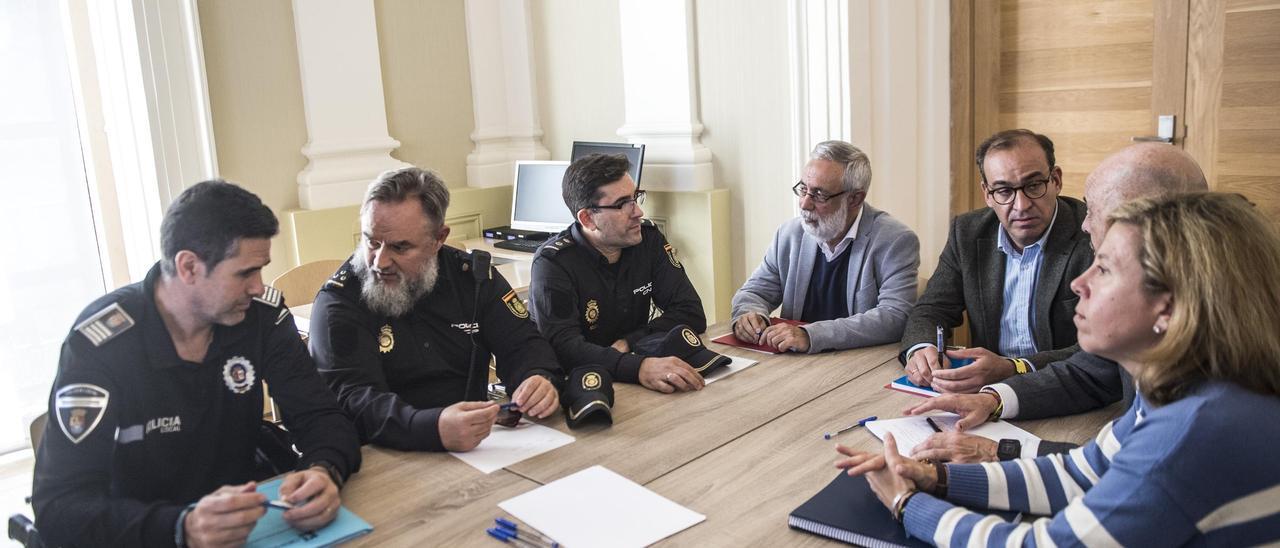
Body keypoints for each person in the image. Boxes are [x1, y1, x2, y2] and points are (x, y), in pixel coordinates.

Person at [837, 192, 1280, 545]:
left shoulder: (1189, 432)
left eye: (1103, 269)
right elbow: (1079, 473)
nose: (1079, 284)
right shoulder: (1191, 388)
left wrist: (906, 503)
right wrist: (939, 478)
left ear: (1167, 307)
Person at [33, 180, 361, 547]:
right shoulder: (102, 344)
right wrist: (181, 527)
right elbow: (59, 510)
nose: (258, 286)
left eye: (261, 269)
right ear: (188, 267)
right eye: (244, 273)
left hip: (248, 525)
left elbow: (321, 416)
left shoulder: (260, 316)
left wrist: (324, 470)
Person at [907, 143, 1208, 462]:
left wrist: (998, 454)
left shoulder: (1203, 341)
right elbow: (1095, 370)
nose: (1085, 224)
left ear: (1148, 218)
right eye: (1004, 190)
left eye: (1093, 211)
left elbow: (1124, 471)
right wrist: (993, 398)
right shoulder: (1179, 283)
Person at [309, 167, 563, 452]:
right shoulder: (339, 302)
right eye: (372, 242)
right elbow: (353, 400)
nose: (379, 262)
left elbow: (523, 344)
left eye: (400, 247)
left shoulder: (474, 279)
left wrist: (536, 378)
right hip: (383, 455)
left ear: (438, 239)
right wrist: (432, 427)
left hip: (477, 447)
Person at [900, 129, 1091, 393]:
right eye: (1003, 190)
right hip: (988, 392)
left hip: (1069, 390)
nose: (1021, 205)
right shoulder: (967, 233)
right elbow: (932, 309)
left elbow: (1100, 349)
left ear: (1056, 180)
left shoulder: (1091, 235)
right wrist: (922, 350)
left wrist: (1016, 367)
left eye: (1034, 186)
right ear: (987, 194)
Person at [528, 153, 709, 394]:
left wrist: (630, 342)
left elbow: (691, 313)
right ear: (587, 218)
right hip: (581, 385)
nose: (638, 212)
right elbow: (564, 347)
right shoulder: (553, 262)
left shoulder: (648, 240)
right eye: (623, 203)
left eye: (635, 197)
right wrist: (638, 367)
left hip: (635, 373)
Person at [730, 140, 919, 353]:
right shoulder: (790, 234)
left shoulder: (895, 240)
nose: (804, 204)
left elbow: (895, 316)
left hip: (859, 365)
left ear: (855, 199)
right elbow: (754, 291)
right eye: (803, 189)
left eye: (819, 195)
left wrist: (812, 335)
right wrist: (749, 314)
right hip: (794, 363)